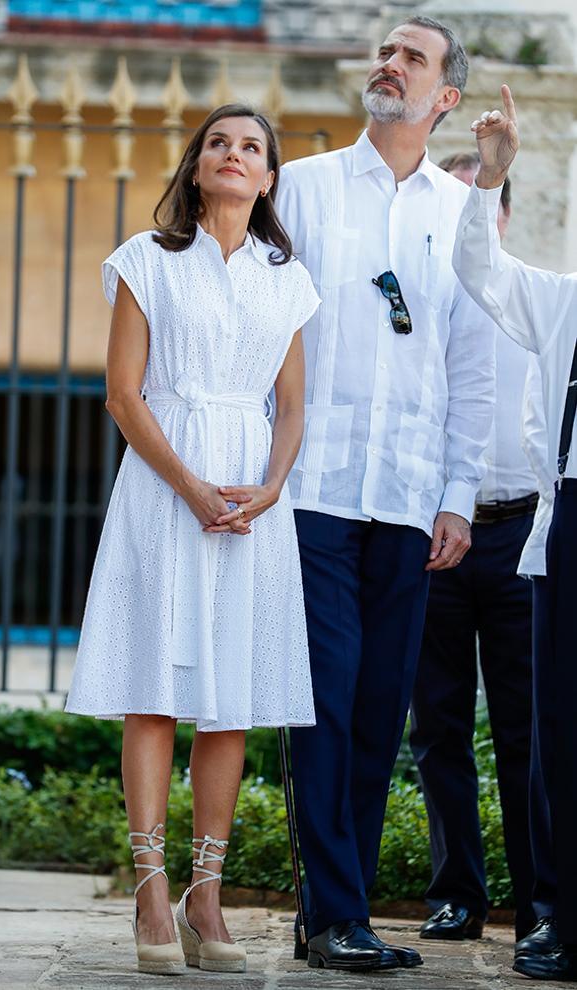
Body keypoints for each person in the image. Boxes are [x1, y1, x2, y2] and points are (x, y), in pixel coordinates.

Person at [65, 103, 320, 976]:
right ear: (197, 162)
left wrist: (272, 485)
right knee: (156, 684)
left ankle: (205, 893)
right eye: (219, 142)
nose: (234, 154)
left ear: (270, 176)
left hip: (254, 498)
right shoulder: (146, 261)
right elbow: (124, 396)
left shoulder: (289, 277)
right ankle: (149, 885)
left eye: (251, 146)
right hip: (165, 487)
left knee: (235, 691)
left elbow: (290, 405)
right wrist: (191, 488)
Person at [275, 15, 495, 973]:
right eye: (386, 50)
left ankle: (340, 908)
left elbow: (475, 366)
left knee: (377, 706)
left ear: (443, 99)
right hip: (314, 488)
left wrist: (457, 495)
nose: (389, 64)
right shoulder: (309, 187)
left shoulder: (464, 213)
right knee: (321, 699)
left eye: (413, 57)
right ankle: (333, 914)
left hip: (407, 500)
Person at [453, 83, 577, 983]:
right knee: (559, 734)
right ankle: (557, 917)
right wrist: (489, 176)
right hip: (568, 520)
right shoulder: (563, 298)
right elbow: (480, 273)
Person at [411, 153, 539, 944]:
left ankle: (541, 904)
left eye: (476, 204)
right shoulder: (416, 307)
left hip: (524, 537)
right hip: (436, 541)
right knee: (439, 729)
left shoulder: (540, 302)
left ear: (501, 216)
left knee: (532, 731)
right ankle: (457, 894)